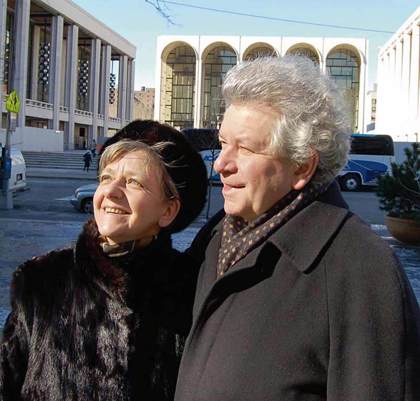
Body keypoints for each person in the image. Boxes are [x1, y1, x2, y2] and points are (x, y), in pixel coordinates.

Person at [174, 56, 420, 401]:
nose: (221, 163)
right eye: (223, 141)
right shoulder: (222, 234)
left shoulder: (361, 268)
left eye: (244, 147)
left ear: (302, 166)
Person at [0, 120, 208, 400]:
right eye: (107, 178)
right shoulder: (42, 283)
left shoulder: (192, 291)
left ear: (168, 210)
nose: (110, 192)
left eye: (133, 182)